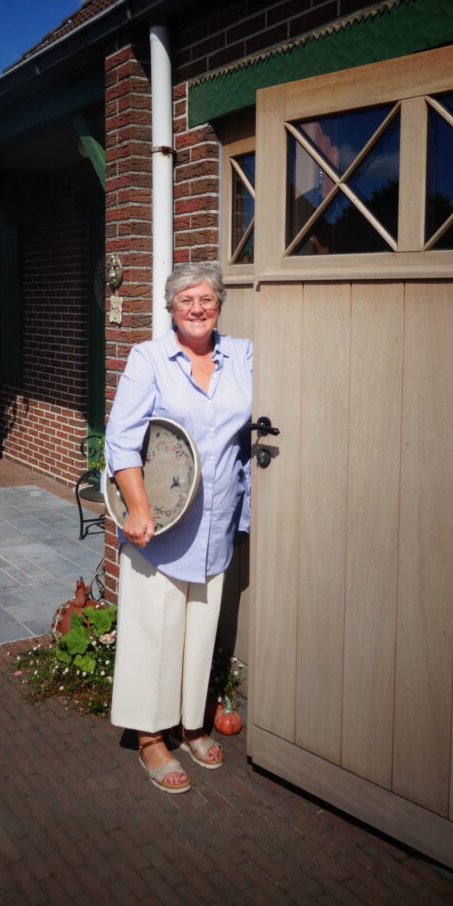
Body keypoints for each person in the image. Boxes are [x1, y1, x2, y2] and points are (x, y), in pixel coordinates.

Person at [105, 261, 253, 794]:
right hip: (161, 526)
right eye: (186, 299)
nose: (197, 308)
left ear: (220, 305)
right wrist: (138, 509)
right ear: (171, 308)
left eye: (207, 298)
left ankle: (190, 725)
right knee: (155, 632)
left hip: (217, 522)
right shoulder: (149, 359)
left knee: (200, 631)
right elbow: (121, 440)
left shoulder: (243, 356)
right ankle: (150, 736)